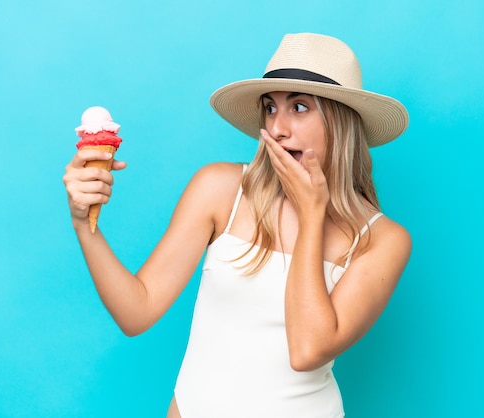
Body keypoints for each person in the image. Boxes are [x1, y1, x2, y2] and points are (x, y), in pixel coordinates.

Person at [63, 33, 412, 418]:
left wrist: (312, 216)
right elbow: (136, 313)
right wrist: (85, 225)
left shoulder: (382, 240)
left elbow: (307, 351)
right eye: (270, 108)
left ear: (341, 122)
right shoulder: (220, 189)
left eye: (299, 107)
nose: (277, 128)